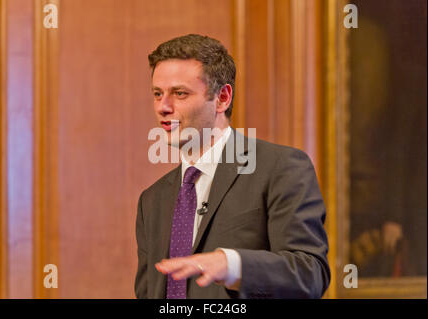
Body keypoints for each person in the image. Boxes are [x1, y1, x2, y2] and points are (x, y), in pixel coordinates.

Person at [135, 34, 330, 299]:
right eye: (158, 94)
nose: (163, 107)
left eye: (179, 93)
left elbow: (310, 275)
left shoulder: (280, 168)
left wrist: (233, 265)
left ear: (222, 98)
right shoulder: (152, 200)